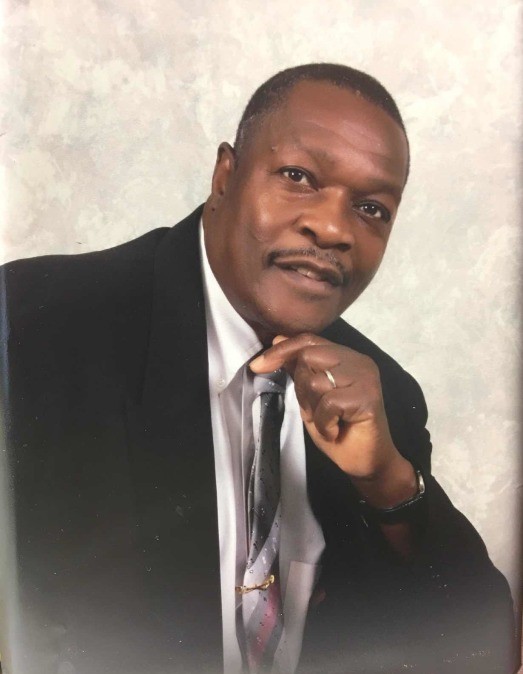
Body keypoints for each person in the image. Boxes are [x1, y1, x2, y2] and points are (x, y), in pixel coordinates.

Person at [0, 64, 516, 674]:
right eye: (298, 177)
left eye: (371, 208)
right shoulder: (32, 328)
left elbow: (487, 648)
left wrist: (387, 480)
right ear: (225, 175)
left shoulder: (385, 396)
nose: (333, 228)